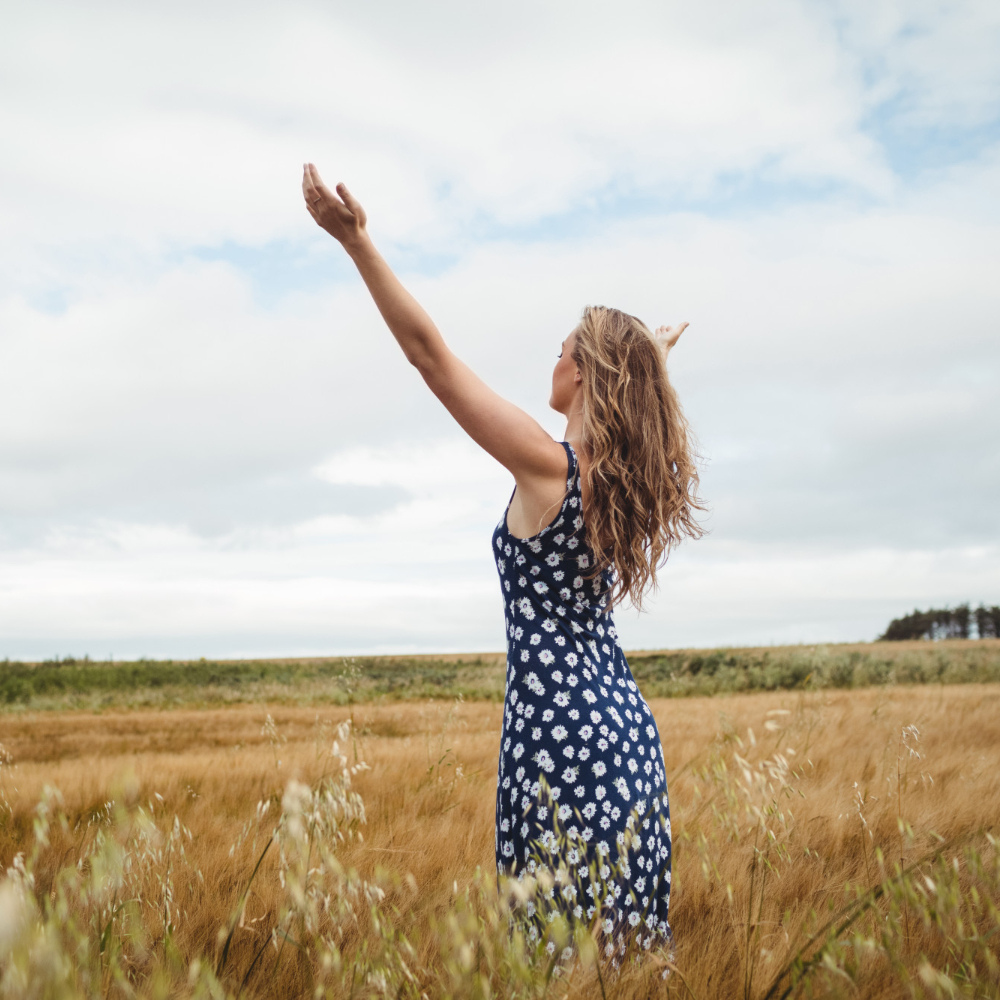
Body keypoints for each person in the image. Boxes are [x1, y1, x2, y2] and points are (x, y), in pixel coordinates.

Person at [301, 163, 704, 957]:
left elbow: (431, 358)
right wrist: (648, 353)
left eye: (563, 348)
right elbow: (635, 405)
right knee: (621, 953)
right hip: (622, 731)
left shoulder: (552, 468)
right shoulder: (627, 484)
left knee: (555, 954)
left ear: (585, 370)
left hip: (555, 734)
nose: (551, 358)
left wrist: (357, 244)